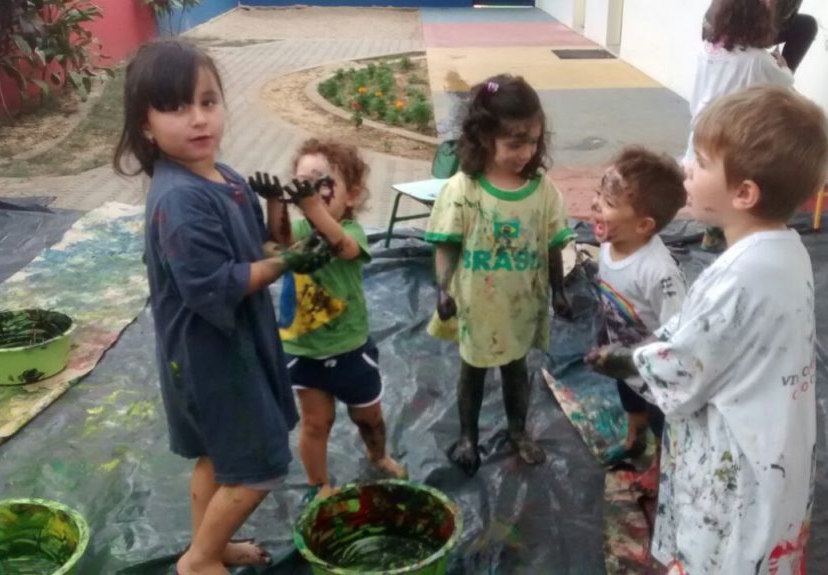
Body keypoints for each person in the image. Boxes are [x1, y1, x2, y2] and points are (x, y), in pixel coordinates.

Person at [588, 85, 828, 573]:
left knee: (722, 553)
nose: (686, 169)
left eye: (699, 162)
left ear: (744, 193)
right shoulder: (787, 250)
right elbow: (705, 332)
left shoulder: (738, 276)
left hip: (737, 459)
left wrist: (622, 359)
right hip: (774, 445)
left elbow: (685, 363)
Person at [113, 39, 331, 575]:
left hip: (233, 343)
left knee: (217, 455)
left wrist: (277, 209)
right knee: (257, 467)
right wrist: (287, 263)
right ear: (145, 126)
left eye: (208, 101)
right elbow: (215, 283)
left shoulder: (226, 177)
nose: (198, 118)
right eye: (175, 107)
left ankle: (212, 545)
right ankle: (199, 560)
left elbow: (262, 247)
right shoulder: (180, 199)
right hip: (212, 356)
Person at [425, 74, 576, 477]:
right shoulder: (464, 190)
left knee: (516, 370)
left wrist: (559, 291)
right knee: (472, 372)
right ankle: (468, 436)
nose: (526, 153)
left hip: (521, 303)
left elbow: (552, 244)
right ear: (484, 137)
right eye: (515, 144)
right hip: (478, 305)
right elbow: (446, 246)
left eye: (533, 142)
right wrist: (442, 290)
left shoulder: (542, 191)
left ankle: (518, 431)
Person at [251, 139, 407, 504]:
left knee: (369, 416)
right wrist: (274, 201)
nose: (309, 191)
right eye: (301, 183)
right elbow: (277, 239)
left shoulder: (351, 231)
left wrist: (311, 206)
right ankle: (318, 483)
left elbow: (341, 246)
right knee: (316, 423)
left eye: (320, 182)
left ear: (351, 194)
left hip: (350, 348)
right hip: (304, 351)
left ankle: (378, 456)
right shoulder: (301, 232)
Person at [586, 147, 687, 496]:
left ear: (644, 225)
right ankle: (633, 440)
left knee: (660, 419)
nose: (595, 204)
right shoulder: (609, 244)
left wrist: (650, 361)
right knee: (629, 397)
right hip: (622, 355)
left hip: (654, 370)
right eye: (599, 194)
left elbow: (679, 331)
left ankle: (660, 465)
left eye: (608, 202)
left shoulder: (658, 272)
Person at [690, 0, 795, 252]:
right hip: (735, 132)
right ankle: (738, 235)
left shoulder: (706, 50)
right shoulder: (757, 60)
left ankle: (713, 229)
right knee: (741, 184)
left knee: (717, 181)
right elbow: (784, 82)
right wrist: (783, 65)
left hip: (703, 127)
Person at [704, 0, 818, 73]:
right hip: (725, 28)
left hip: (761, 26)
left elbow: (785, 18)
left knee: (807, 25)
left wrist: (780, 68)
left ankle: (779, 82)